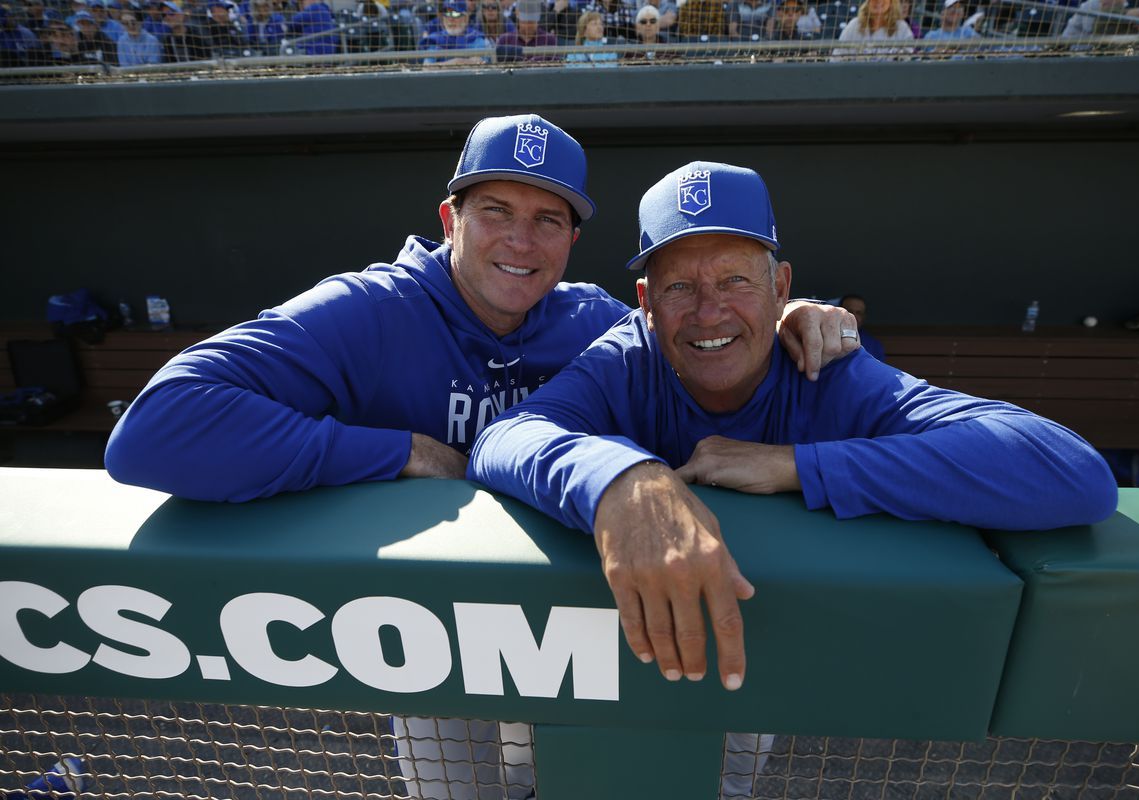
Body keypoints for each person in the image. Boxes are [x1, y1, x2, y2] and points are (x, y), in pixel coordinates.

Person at [105, 116, 857, 800]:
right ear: (449, 218)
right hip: (433, 624)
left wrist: (792, 315)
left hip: (577, 608)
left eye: (547, 219)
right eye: (496, 211)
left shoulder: (592, 318)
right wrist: (387, 450)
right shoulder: (369, 310)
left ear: (570, 239)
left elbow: (705, 323)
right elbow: (159, 429)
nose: (521, 242)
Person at [468, 159, 1118, 702]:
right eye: (679, 288)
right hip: (614, 639)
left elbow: (1070, 472)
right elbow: (504, 439)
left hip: (772, 647)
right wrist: (625, 481)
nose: (709, 310)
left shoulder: (825, 367)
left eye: (735, 280)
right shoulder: (626, 358)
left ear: (782, 287)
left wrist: (797, 465)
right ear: (645, 303)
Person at [833, 0, 914, 55]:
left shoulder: (902, 28)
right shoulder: (854, 24)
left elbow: (906, 65)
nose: (878, 1)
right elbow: (837, 58)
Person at [422, 0, 489, 63]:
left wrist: (453, 62)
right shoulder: (435, 39)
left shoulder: (475, 38)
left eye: (455, 14)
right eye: (447, 14)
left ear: (465, 18)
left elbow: (478, 63)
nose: (450, 19)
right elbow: (427, 67)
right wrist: (456, 62)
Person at [837, 293, 884, 361]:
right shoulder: (828, 337)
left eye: (858, 313)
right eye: (850, 311)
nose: (854, 316)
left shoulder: (874, 345)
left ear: (864, 317)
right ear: (839, 313)